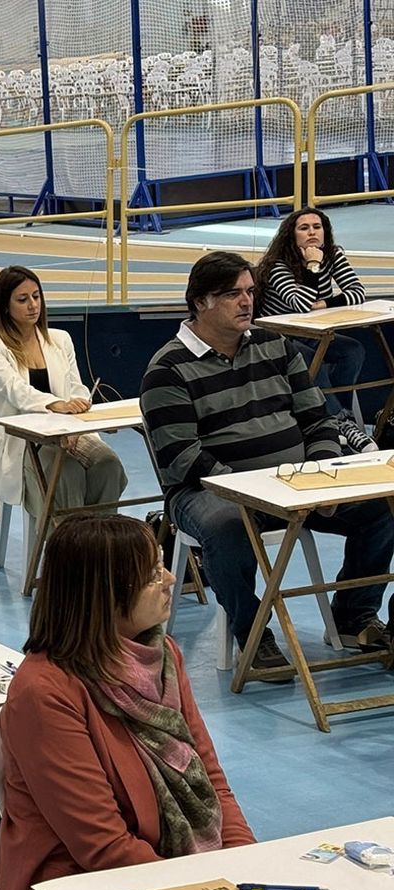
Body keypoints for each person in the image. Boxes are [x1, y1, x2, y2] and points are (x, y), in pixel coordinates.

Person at [141, 251, 394, 677]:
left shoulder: (277, 346)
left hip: (295, 479)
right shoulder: (167, 370)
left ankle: (355, 616)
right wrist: (255, 494)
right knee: (228, 524)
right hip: (206, 489)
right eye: (233, 295)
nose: (247, 302)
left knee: (381, 507)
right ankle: (254, 632)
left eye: (250, 292)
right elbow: (183, 458)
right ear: (200, 302)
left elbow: (318, 420)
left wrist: (320, 476)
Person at [0, 514, 254, 890]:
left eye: (163, 563)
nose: (170, 580)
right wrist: (202, 889)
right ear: (105, 594)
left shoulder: (161, 654)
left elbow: (211, 778)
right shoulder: (44, 692)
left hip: (174, 871)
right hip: (83, 882)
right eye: (152, 575)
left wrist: (244, 863)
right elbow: (102, 845)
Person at [0, 265, 127, 520]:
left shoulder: (60, 339)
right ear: (4, 306)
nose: (33, 305)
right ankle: (70, 546)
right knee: (65, 473)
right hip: (24, 442)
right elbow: (16, 391)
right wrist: (56, 405)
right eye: (22, 300)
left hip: (69, 432)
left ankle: (100, 539)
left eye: (36, 296)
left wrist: (78, 416)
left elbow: (76, 387)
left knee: (108, 464)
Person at [256, 207, 373, 451]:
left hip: (314, 332)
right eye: (304, 228)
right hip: (278, 337)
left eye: (317, 227)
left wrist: (325, 303)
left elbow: (357, 292)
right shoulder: (278, 265)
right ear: (292, 235)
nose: (312, 233)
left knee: (352, 350)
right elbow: (299, 305)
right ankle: (338, 421)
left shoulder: (333, 254)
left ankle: (343, 418)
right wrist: (312, 264)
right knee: (307, 358)